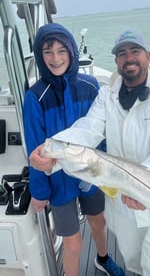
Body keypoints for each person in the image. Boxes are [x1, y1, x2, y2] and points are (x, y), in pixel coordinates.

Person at [30, 29, 150, 276]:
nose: (129, 58)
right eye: (122, 53)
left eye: (135, 51)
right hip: (127, 203)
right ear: (116, 61)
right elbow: (88, 129)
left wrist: (143, 186)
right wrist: (52, 149)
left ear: (148, 56)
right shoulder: (107, 94)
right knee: (135, 262)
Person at [23, 23, 125, 276]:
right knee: (73, 245)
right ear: (39, 55)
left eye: (61, 50)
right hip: (57, 180)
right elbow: (36, 148)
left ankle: (103, 258)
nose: (55, 59)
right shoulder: (35, 97)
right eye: (47, 51)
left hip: (91, 173)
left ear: (71, 51)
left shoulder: (91, 87)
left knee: (99, 223)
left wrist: (102, 173)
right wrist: (39, 191)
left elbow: (103, 134)